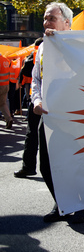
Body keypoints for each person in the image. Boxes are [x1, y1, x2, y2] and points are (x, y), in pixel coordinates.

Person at [33, 2, 84, 224]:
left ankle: (82, 205)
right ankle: (63, 204)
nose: (47, 23)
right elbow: (37, 79)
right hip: (49, 114)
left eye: (52, 19)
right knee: (47, 164)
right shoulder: (42, 47)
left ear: (67, 23)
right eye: (46, 19)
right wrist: (36, 100)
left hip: (75, 115)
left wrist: (61, 44)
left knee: (78, 161)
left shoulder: (79, 45)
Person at [14, 38, 43, 178]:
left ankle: (28, 166)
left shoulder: (38, 50)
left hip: (38, 97)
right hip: (39, 97)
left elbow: (26, 68)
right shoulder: (42, 49)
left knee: (32, 134)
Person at [0, 52, 13, 129]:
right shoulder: (5, 60)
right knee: (2, 104)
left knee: (2, 104)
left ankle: (9, 119)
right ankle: (9, 119)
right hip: (5, 85)